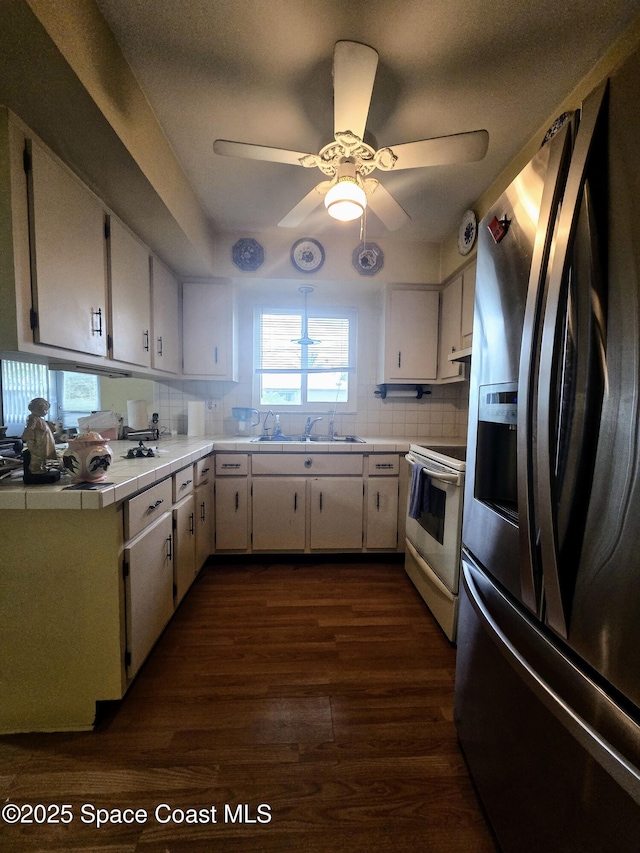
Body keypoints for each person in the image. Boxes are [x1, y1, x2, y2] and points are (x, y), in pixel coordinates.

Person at [22, 397, 58, 475]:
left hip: (43, 441)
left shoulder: (39, 419)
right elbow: (30, 428)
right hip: (37, 442)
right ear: (37, 409)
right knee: (37, 456)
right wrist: (28, 436)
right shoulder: (33, 419)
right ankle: (35, 469)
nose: (46, 412)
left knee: (43, 456)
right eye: (45, 410)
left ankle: (43, 467)